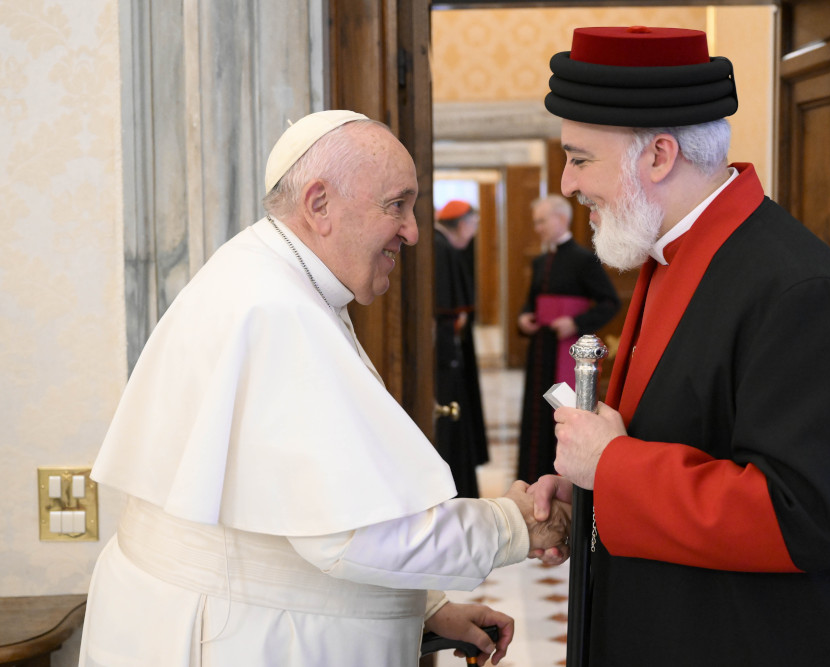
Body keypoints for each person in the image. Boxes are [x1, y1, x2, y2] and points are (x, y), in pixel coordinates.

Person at [79, 110, 571, 667]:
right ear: (319, 205)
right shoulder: (277, 309)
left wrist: (427, 607)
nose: (412, 230)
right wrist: (514, 524)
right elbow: (350, 535)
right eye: (397, 205)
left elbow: (303, 507)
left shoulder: (271, 278)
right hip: (228, 636)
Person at [527, 27, 830, 665]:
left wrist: (613, 469)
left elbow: (802, 518)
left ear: (658, 156)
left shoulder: (799, 291)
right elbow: (675, 437)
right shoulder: (672, 255)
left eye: (580, 158)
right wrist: (590, 491)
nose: (567, 183)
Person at [516, 194, 619, 483]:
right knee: (536, 414)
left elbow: (610, 302)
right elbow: (531, 303)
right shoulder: (540, 262)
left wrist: (574, 322)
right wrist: (524, 318)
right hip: (540, 349)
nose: (537, 228)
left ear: (561, 219)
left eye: (541, 221)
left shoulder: (585, 259)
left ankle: (561, 479)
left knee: (559, 413)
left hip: (566, 350)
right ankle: (532, 478)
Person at [433, 200, 489, 498]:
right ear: (464, 224)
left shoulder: (442, 244)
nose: (475, 231)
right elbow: (446, 312)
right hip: (445, 356)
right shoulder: (440, 247)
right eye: (475, 224)